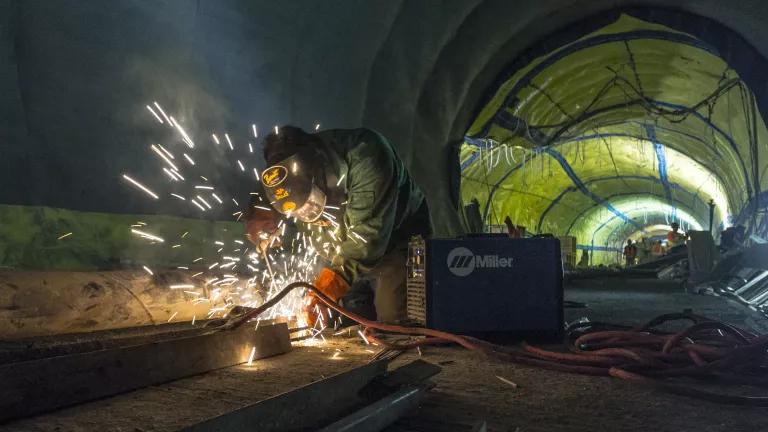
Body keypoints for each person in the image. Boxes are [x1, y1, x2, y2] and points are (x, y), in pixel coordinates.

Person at [245, 126, 431, 326]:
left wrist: (328, 287)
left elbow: (367, 239)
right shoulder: (286, 171)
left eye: (308, 202)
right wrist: (259, 217)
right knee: (347, 316)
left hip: (395, 240)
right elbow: (270, 192)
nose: (305, 215)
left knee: (393, 317)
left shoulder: (367, 156)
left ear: (318, 171)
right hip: (342, 252)